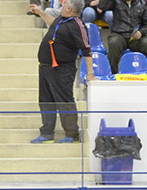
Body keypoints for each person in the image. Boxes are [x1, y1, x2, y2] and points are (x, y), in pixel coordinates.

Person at [29, 0, 91, 145]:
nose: (62, 3)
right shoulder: (61, 20)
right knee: (46, 101)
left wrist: (90, 73)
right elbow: (52, 23)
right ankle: (47, 134)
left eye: (65, 3)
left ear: (69, 8)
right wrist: (40, 12)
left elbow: (87, 48)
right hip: (45, 67)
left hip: (62, 69)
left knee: (64, 101)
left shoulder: (77, 24)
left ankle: (72, 134)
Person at [105, 0, 147, 75]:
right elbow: (103, 6)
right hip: (119, 34)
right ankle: (112, 73)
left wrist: (141, 32)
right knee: (114, 43)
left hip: (136, 36)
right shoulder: (115, 2)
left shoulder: (143, 3)